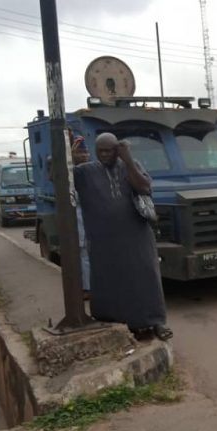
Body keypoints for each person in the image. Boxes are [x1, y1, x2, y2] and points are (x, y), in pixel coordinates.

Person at [74, 132, 172, 340]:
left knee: (145, 276)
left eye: (109, 150)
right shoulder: (85, 171)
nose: (104, 155)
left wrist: (127, 160)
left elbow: (144, 187)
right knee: (109, 280)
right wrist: (70, 159)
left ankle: (154, 322)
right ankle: (111, 322)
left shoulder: (130, 165)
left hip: (135, 233)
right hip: (104, 238)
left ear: (117, 150)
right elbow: (56, 180)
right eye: (100, 151)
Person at [71, 136, 91, 299]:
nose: (84, 155)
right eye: (80, 152)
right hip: (79, 222)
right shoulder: (70, 173)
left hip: (92, 221)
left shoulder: (93, 170)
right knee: (82, 255)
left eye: (85, 152)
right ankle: (86, 288)